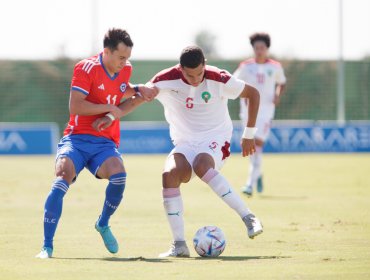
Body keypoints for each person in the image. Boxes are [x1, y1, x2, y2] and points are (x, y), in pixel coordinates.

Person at [93, 46, 263, 258]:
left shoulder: (219, 78)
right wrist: (110, 117)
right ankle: (179, 245)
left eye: (199, 73)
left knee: (202, 166)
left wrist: (248, 134)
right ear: (180, 68)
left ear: (205, 64)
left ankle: (249, 217)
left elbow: (253, 94)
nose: (195, 80)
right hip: (184, 142)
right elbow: (136, 99)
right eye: (189, 75)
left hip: (215, 139)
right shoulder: (165, 79)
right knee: (169, 175)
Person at [35, 28, 157, 259]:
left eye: (127, 58)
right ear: (107, 52)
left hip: (105, 142)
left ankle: (103, 223)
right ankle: (47, 246)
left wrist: (140, 90)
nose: (125, 63)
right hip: (77, 139)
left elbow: (122, 90)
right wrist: (109, 108)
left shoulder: (125, 69)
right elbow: (76, 106)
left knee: (119, 175)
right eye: (121, 57)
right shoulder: (85, 68)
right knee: (62, 177)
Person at [234, 33, 286, 196]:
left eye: (262, 48)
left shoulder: (275, 67)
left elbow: (282, 83)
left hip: (266, 111)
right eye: (256, 48)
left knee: (257, 144)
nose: (259, 51)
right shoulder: (246, 66)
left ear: (267, 49)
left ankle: (249, 183)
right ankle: (257, 174)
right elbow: (233, 83)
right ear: (253, 49)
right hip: (247, 111)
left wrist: (278, 94)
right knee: (251, 146)